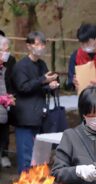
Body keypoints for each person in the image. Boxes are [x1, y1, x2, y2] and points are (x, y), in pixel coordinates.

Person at [10, 31, 59, 174]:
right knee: (26, 156)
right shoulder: (21, 66)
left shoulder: (42, 64)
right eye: (37, 44)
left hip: (40, 115)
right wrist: (43, 80)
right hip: (24, 116)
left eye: (43, 44)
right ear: (29, 46)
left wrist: (51, 85)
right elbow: (23, 87)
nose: (41, 47)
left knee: (39, 156)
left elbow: (41, 86)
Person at [0, 35, 16, 168]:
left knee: (4, 129)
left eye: (7, 50)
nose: (5, 53)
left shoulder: (8, 63)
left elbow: (10, 80)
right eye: (2, 50)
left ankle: (4, 154)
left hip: (4, 106)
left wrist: (9, 97)